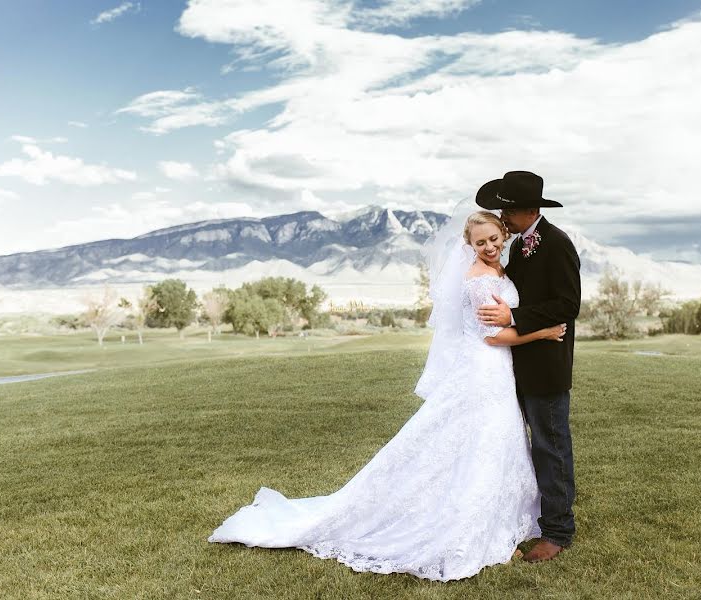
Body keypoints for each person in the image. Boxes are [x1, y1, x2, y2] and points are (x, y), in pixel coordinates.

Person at [207, 209, 567, 581]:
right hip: (483, 368)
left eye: (494, 239)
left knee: (491, 442)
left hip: (495, 371)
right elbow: (491, 336)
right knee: (481, 442)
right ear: (469, 244)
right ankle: (471, 527)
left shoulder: (497, 270)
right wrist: (541, 333)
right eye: (480, 242)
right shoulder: (478, 279)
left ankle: (497, 519)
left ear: (503, 235)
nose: (489, 247)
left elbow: (504, 320)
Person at [475, 170, 582, 563]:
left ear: (529, 210)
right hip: (515, 362)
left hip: (547, 363)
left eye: (507, 211)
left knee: (551, 447)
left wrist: (515, 316)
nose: (503, 218)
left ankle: (558, 531)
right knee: (523, 447)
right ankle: (532, 519)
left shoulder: (557, 243)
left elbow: (568, 305)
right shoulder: (520, 245)